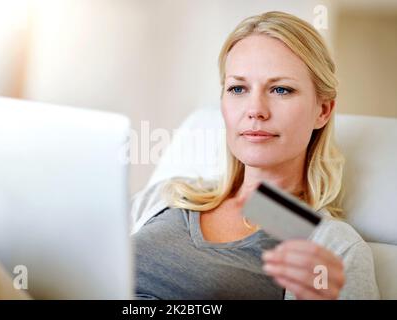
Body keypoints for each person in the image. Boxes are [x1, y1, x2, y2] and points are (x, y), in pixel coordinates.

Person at [131, 11, 380, 300]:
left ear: (322, 110)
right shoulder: (166, 196)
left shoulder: (330, 246)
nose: (255, 110)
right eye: (238, 88)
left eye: (281, 89)